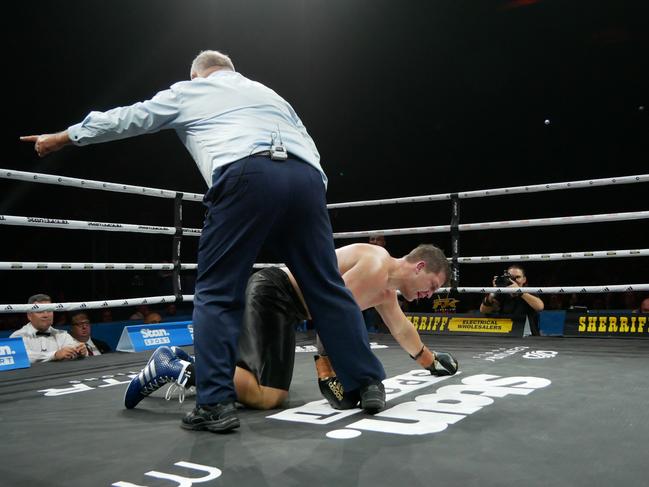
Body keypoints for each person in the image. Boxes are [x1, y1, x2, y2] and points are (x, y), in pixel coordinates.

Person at [22, 49, 385, 433]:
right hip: (308, 181)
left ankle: (214, 403)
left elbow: (130, 117)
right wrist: (306, 194)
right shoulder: (269, 93)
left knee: (216, 291)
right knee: (327, 286)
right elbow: (308, 143)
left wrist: (64, 137)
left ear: (198, 75)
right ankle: (367, 383)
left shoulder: (191, 91)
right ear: (232, 70)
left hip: (246, 172)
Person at [124, 243, 459, 411]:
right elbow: (332, 316)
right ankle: (177, 367)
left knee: (266, 395)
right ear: (419, 267)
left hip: (287, 305)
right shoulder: (374, 264)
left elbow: (401, 328)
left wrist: (432, 362)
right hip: (274, 292)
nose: (429, 294)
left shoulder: (386, 290)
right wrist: (326, 368)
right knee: (266, 396)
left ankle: (182, 365)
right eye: (432, 285)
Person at [9, 294, 88, 363]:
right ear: (29, 316)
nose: (46, 315)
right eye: (40, 311)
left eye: (49, 311)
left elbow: (74, 348)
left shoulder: (62, 334)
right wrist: (55, 355)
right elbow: (22, 356)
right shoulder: (17, 336)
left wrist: (80, 351)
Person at [479, 265, 545, 335]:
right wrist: (493, 293)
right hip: (506, 334)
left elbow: (540, 307)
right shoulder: (502, 293)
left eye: (517, 277)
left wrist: (519, 292)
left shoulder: (529, 291)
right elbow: (484, 310)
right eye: (511, 278)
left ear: (524, 279)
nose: (514, 280)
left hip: (527, 335)